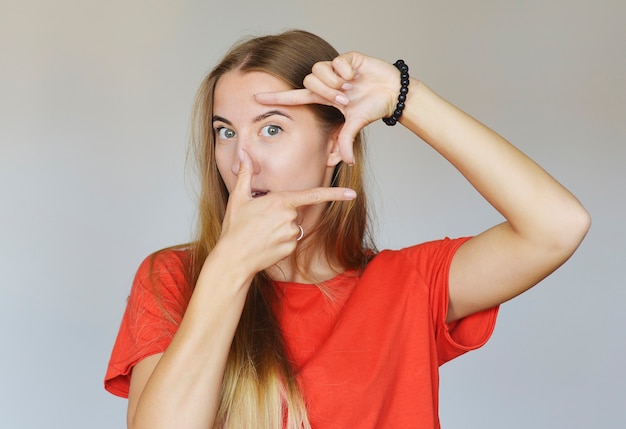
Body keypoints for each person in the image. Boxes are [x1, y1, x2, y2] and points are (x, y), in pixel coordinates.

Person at [104, 29, 590, 429]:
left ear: (336, 142)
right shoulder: (174, 278)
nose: (240, 159)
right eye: (225, 131)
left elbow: (558, 225)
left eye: (271, 128)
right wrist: (228, 267)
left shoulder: (407, 285)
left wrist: (405, 96)